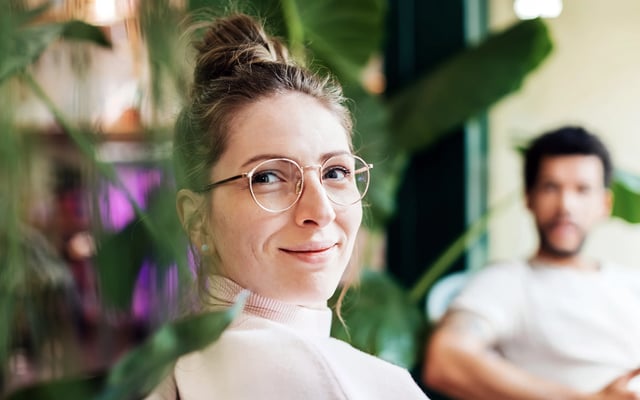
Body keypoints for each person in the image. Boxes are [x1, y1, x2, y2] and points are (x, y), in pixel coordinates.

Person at [145, 13, 428, 400]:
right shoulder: (348, 385)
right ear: (197, 219)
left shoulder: (182, 363)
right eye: (268, 177)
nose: (321, 210)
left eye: (335, 172)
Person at [423, 126, 640, 400]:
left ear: (604, 204)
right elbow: (446, 359)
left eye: (582, 190)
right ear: (529, 197)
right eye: (551, 187)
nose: (566, 205)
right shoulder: (508, 282)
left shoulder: (631, 284)